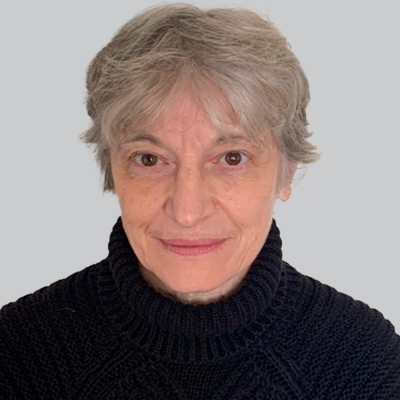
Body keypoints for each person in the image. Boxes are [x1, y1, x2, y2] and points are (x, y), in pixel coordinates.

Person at [1, 3, 399, 399]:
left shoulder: (365, 363)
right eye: (149, 159)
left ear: (287, 170)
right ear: (112, 168)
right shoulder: (18, 354)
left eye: (232, 158)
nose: (187, 211)